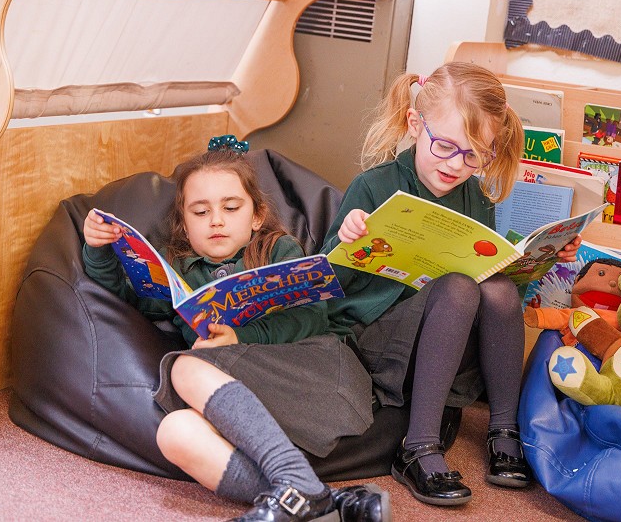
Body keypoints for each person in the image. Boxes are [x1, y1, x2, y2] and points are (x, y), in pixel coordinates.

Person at [83, 138, 390, 522]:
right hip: (246, 404)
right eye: (200, 211)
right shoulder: (179, 272)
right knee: (174, 433)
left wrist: (241, 337)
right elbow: (118, 295)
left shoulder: (280, 250)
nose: (216, 220)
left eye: (231, 207)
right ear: (184, 223)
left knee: (185, 365)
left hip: (311, 374)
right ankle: (322, 500)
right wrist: (98, 249)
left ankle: (304, 490)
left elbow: (313, 317)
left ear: (257, 215)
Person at [320, 62, 581, 506]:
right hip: (377, 340)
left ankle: (504, 428)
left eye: (475, 155)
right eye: (445, 147)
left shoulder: (475, 195)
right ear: (415, 124)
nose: (456, 165)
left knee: (494, 288)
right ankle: (417, 444)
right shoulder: (374, 185)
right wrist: (346, 238)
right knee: (460, 286)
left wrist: (538, 261)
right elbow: (329, 285)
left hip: (445, 341)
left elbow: (492, 285)